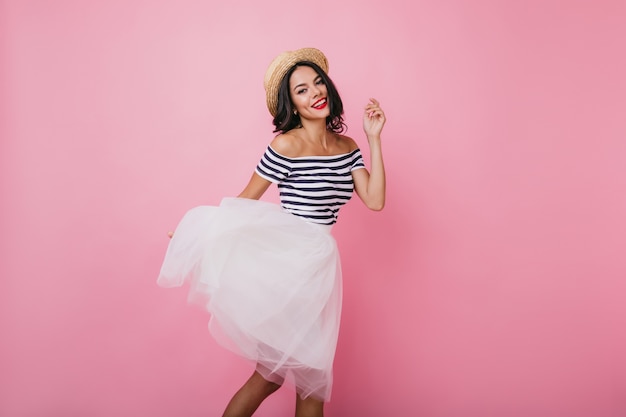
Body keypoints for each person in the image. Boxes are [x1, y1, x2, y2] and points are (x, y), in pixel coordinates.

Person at [158, 47, 386, 417]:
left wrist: (373, 138)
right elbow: (245, 201)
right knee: (274, 376)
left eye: (318, 83)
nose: (315, 92)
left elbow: (375, 201)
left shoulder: (348, 148)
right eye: (302, 90)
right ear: (292, 104)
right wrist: (198, 232)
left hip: (320, 266)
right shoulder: (286, 145)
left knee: (306, 379)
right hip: (288, 267)